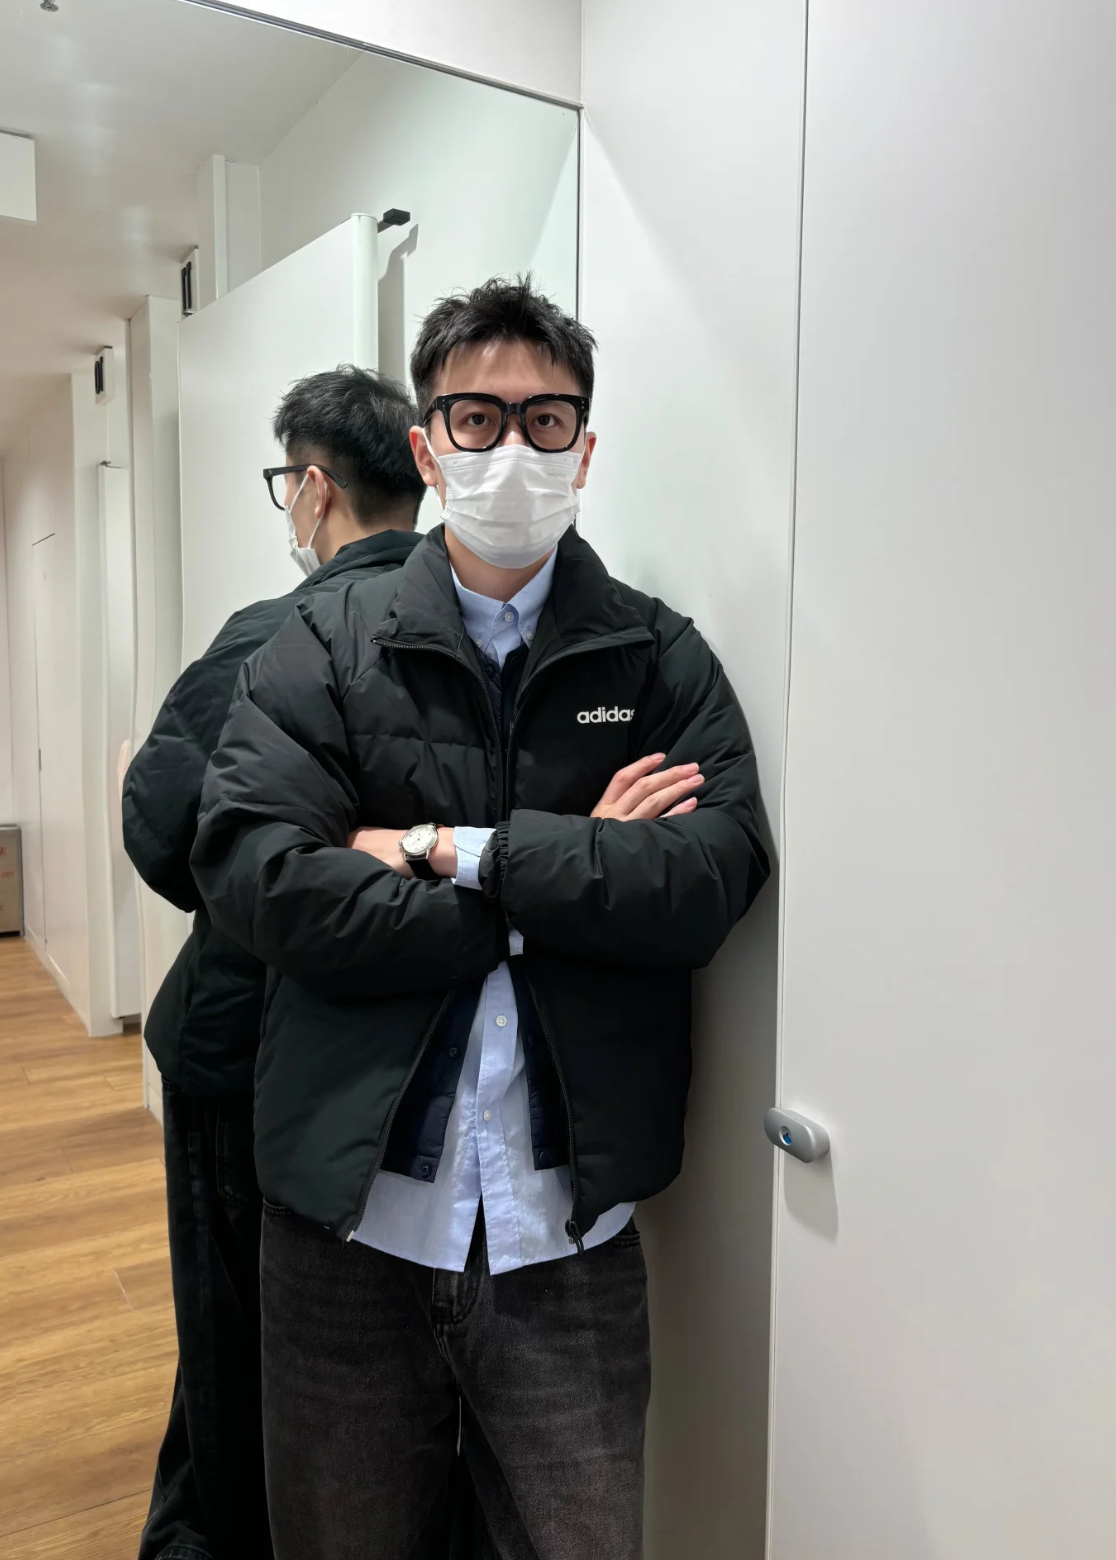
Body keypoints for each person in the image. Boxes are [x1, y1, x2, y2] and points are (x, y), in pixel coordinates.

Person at [191, 277, 770, 1560]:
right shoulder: (323, 644)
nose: (513, 448)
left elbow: (712, 877)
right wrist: (558, 887)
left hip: (568, 1238)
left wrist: (450, 852)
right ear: (426, 448)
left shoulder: (657, 659)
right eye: (476, 417)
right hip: (347, 1233)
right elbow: (255, 873)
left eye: (545, 419)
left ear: (586, 448)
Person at [123, 367, 429, 1560]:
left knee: (235, 1333)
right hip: (405, 1060)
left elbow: (162, 824)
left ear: (312, 487)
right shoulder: (480, 628)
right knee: (371, 1349)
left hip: (241, 1046)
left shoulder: (271, 635)